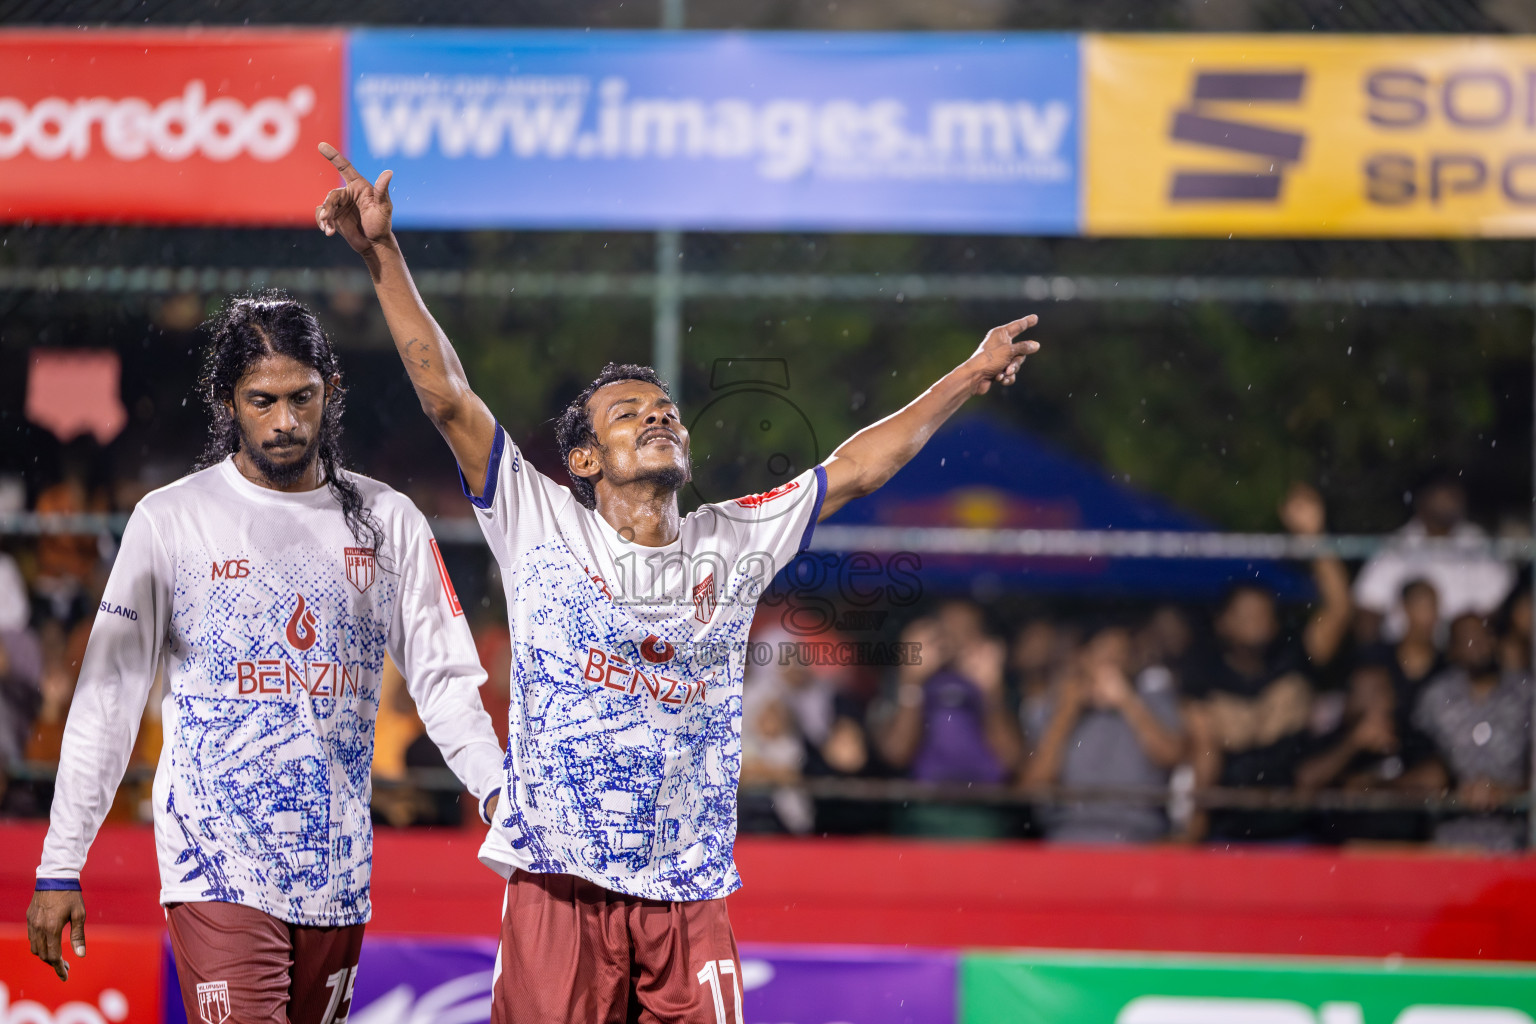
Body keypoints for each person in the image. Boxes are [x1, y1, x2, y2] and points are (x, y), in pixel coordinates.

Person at [315, 141, 1041, 1024]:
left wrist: (967, 374)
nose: (658, 417)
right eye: (629, 414)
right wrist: (383, 256)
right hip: (559, 884)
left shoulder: (731, 539)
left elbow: (857, 467)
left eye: (666, 411)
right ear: (586, 460)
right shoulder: (538, 520)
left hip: (689, 896)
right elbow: (448, 398)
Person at [25, 296, 506, 1024]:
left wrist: (496, 789)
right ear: (227, 402)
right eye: (263, 401)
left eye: (301, 398)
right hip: (215, 868)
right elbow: (107, 700)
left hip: (337, 875)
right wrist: (61, 862)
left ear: (330, 391)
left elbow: (445, 680)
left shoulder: (387, 521)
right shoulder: (172, 520)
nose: (286, 421)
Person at [1022, 622, 1185, 843]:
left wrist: (1127, 701)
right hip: (1068, 836)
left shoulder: (1151, 702)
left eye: (1121, 656)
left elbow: (1171, 756)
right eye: (1105, 656)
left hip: (1138, 838)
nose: (1113, 667)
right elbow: (1033, 785)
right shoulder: (1054, 708)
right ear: (1083, 658)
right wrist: (1067, 712)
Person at [1414, 613, 1532, 851]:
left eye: (1484, 635)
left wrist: (1508, 791)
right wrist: (1449, 787)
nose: (1477, 644)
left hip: (1513, 840)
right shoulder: (1435, 697)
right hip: (1450, 840)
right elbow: (1415, 759)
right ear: (1452, 650)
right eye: (1467, 638)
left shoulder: (1526, 692)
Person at [1353, 475, 1514, 643]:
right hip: (1405, 648)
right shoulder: (1396, 546)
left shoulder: (1478, 543)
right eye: (1440, 493)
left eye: (1451, 493)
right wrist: (1373, 652)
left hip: (1465, 649)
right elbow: (1368, 605)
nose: (1447, 501)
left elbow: (1502, 602)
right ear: (1421, 501)